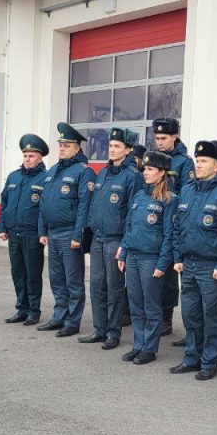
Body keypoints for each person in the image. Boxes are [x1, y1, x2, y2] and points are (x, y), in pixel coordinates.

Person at [169, 140, 217, 381]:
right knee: (190, 314)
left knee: (210, 317)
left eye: (204, 161)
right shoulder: (187, 190)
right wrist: (177, 256)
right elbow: (177, 226)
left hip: (211, 267)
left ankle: (209, 362)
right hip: (188, 264)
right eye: (197, 161)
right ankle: (191, 357)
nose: (198, 165)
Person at [80, 127, 143, 350]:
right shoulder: (103, 173)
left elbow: (134, 213)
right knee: (97, 285)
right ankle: (100, 329)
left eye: (117, 146)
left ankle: (113, 333)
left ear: (128, 150)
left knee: (114, 288)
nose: (112, 149)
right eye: (111, 145)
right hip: (98, 238)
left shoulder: (133, 176)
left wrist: (125, 244)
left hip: (116, 240)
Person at [117, 151, 176, 365]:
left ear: (162, 173)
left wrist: (162, 263)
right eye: (145, 169)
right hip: (133, 256)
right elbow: (129, 227)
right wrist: (124, 251)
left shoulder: (169, 199)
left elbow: (169, 235)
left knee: (151, 306)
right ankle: (138, 345)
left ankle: (149, 348)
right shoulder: (139, 196)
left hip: (151, 259)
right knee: (135, 304)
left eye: (150, 169)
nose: (146, 172)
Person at [36, 123, 95, 337]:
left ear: (77, 147)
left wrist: (78, 235)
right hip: (53, 233)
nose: (61, 148)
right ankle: (59, 316)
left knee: (73, 281)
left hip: (70, 233)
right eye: (60, 145)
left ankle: (72, 321)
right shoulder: (53, 170)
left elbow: (85, 206)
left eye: (67, 145)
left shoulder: (84, 172)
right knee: (56, 278)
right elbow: (44, 203)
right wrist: (42, 231)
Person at [0, 133, 49, 326]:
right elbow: (4, 203)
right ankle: (22, 309)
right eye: (25, 155)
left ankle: (33, 311)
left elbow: (45, 209)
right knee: (18, 273)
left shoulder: (45, 178)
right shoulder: (14, 176)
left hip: (32, 235)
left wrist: (43, 232)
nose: (27, 159)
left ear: (40, 157)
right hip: (14, 234)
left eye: (32, 156)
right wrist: (2, 227)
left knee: (33, 274)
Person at [153, 117, 192, 339]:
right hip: (152, 222)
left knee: (168, 275)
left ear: (174, 137)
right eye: (157, 138)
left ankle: (166, 317)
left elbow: (186, 194)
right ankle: (154, 315)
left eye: (163, 138)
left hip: (172, 221)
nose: (159, 142)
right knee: (155, 272)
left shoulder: (184, 163)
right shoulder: (154, 157)